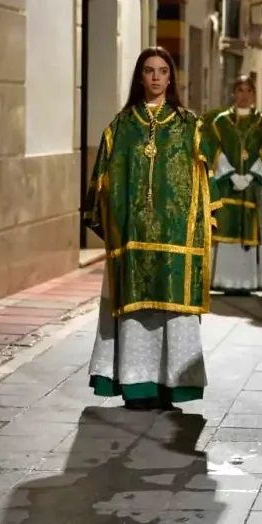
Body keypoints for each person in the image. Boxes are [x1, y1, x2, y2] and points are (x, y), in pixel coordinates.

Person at [84, 47, 217, 410]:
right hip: (133, 240)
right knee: (135, 314)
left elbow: (207, 183)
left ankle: (173, 385)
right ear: (139, 77)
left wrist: (205, 224)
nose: (156, 77)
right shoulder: (121, 127)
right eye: (148, 71)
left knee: (173, 313)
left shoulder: (191, 125)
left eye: (162, 71)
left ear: (171, 78)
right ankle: (136, 384)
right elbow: (100, 183)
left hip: (176, 242)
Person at [206, 76, 262, 294]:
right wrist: (230, 174)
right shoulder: (220, 123)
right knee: (223, 227)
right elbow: (213, 152)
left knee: (250, 231)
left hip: (252, 188)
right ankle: (221, 279)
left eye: (249, 90)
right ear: (233, 93)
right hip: (225, 186)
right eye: (240, 90)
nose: (244, 95)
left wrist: (251, 176)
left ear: (254, 94)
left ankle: (246, 282)